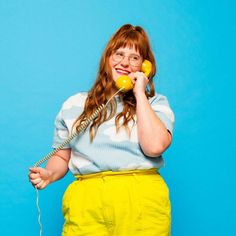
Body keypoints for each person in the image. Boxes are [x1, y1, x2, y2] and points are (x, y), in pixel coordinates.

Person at [29, 24, 175, 236]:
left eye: (134, 57)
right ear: (107, 58)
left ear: (145, 66)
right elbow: (62, 155)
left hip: (141, 200)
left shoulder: (156, 104)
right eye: (119, 54)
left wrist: (140, 94)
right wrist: (50, 174)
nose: (125, 62)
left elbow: (154, 147)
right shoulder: (74, 105)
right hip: (86, 204)